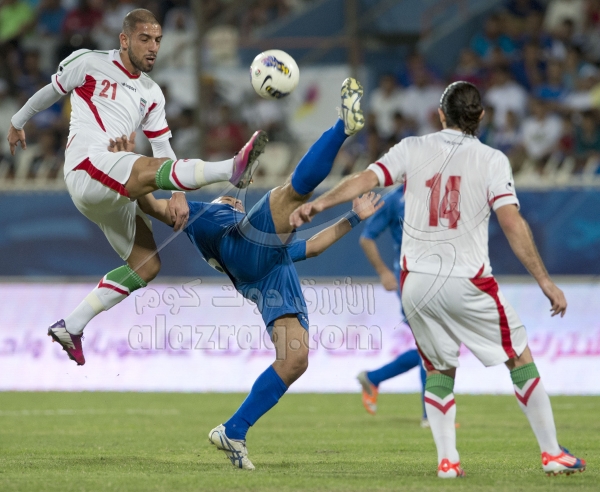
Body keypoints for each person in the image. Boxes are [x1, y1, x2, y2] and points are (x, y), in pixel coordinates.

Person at [289, 81, 586, 478]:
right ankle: (551, 453)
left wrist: (320, 203)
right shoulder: (492, 159)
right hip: (467, 279)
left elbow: (365, 178)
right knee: (519, 357)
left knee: (439, 369)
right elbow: (512, 223)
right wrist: (545, 281)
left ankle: (448, 461)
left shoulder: (412, 148)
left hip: (416, 283)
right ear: (481, 116)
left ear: (441, 114)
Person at [131, 77, 366, 470]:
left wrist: (354, 217)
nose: (238, 196)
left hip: (266, 282)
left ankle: (234, 430)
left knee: (295, 361)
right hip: (242, 254)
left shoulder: (262, 235)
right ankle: (343, 126)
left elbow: (314, 246)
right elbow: (155, 207)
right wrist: (132, 173)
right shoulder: (206, 215)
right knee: (291, 194)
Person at [6, 9, 265, 366]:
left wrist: (177, 194)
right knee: (146, 170)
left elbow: (163, 148)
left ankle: (72, 325)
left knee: (146, 265)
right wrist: (17, 122)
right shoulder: (89, 62)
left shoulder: (151, 93)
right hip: (86, 166)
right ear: (124, 39)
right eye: (145, 39)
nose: (153, 47)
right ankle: (230, 169)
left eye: (157, 40)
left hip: (111, 185)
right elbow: (51, 92)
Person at [355, 185, 428, 426]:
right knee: (431, 346)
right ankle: (431, 415)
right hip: (408, 279)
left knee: (435, 347)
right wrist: (383, 272)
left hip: (436, 280)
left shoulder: (438, 192)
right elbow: (367, 238)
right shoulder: (395, 199)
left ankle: (373, 378)